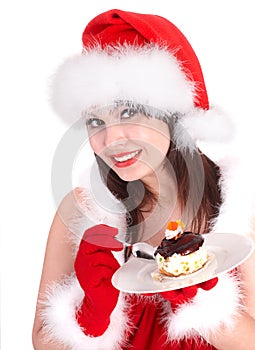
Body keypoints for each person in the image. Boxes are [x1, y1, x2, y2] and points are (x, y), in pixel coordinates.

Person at [32, 9, 255, 350]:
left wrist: (197, 305)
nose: (111, 140)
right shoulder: (82, 211)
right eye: (94, 121)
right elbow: (42, 342)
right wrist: (91, 316)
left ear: (170, 111)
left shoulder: (241, 205)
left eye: (127, 112)